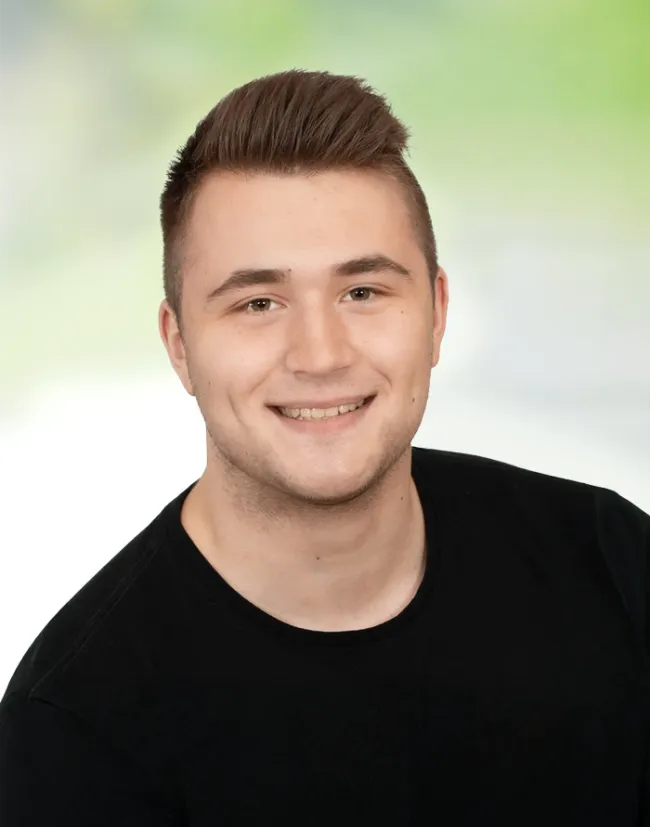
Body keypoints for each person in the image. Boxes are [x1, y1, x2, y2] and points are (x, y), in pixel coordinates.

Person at [0, 69, 648, 827]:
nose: (320, 354)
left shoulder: (612, 567)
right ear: (179, 346)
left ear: (437, 313)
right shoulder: (71, 738)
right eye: (258, 303)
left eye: (362, 292)